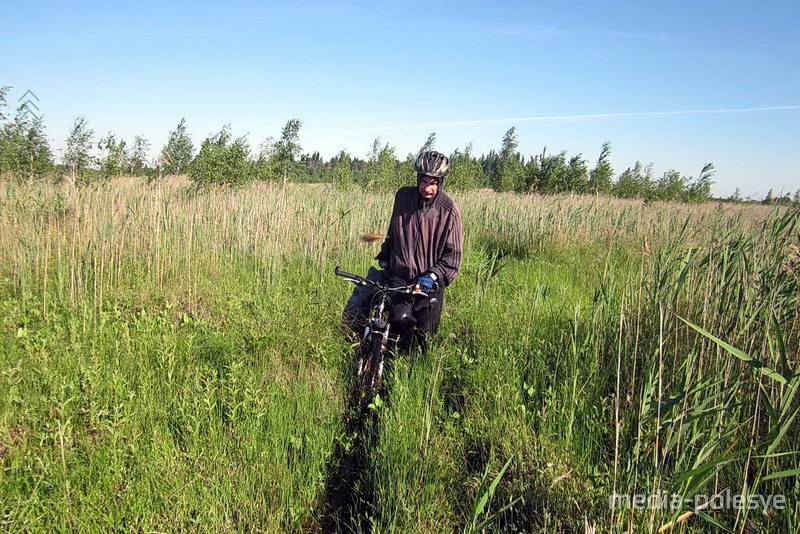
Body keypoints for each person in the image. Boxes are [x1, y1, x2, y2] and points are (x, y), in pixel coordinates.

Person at [374, 150, 463, 352]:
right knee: (399, 319)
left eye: (433, 183)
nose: (427, 188)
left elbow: (454, 255)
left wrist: (432, 275)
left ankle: (415, 369)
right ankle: (392, 364)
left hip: (429, 281)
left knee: (425, 339)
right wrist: (386, 255)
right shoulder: (403, 197)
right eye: (424, 181)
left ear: (440, 183)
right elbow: (394, 230)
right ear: (418, 179)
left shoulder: (449, 210)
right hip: (400, 276)